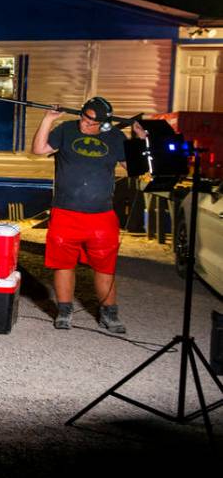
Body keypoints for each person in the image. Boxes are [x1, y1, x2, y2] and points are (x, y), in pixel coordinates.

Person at [31, 97, 146, 333]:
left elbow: (134, 168)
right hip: (65, 212)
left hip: (101, 216)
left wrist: (140, 141)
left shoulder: (114, 137)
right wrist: (48, 119)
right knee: (63, 264)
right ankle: (64, 311)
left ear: (104, 123)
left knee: (105, 266)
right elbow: (38, 149)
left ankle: (109, 314)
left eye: (92, 123)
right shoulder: (66, 130)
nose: (85, 124)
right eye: (84, 118)